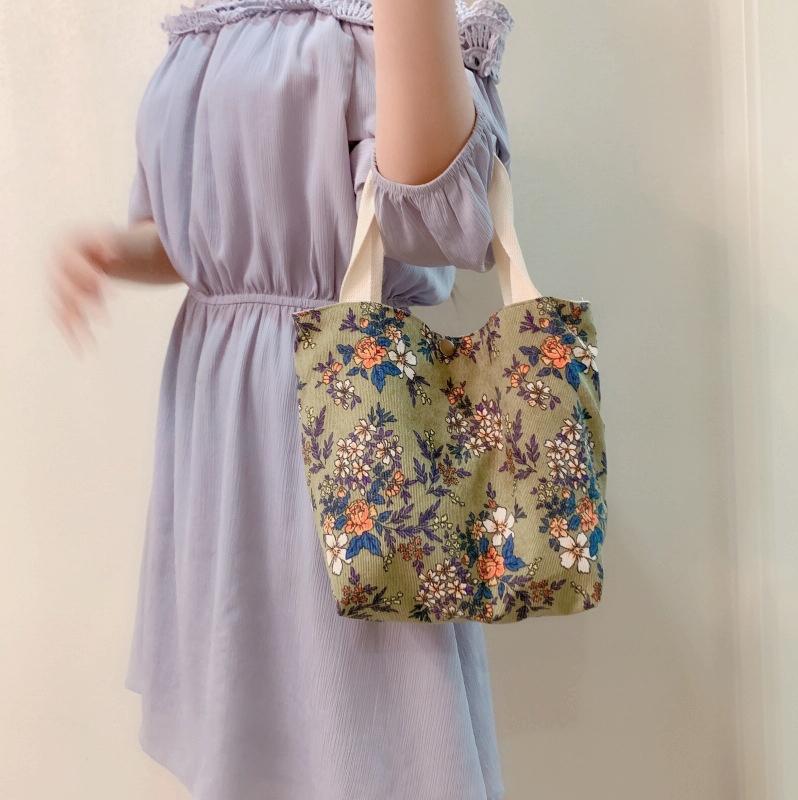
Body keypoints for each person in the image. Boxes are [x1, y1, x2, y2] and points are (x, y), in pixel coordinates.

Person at [47, 1, 514, 797]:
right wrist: (120, 250)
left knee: (376, 748)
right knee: (248, 742)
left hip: (343, 416)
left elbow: (436, 226)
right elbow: (208, 235)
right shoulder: (209, 18)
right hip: (217, 425)